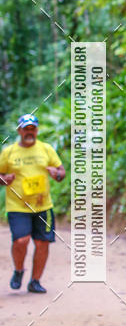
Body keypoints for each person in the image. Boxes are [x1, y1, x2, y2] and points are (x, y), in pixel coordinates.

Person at [0, 114, 65, 293]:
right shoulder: (9, 152)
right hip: (17, 207)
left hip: (43, 206)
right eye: (26, 129)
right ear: (19, 130)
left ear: (36, 130)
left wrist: (57, 174)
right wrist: (5, 179)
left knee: (42, 243)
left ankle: (35, 281)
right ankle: (19, 270)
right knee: (21, 240)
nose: (30, 132)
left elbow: (61, 172)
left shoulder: (46, 149)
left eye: (33, 129)